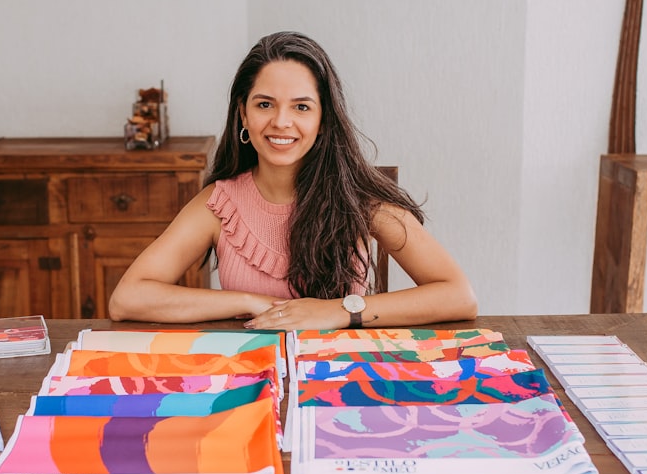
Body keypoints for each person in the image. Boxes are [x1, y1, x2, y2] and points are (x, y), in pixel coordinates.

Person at [108, 31, 478, 329]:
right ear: (243, 114)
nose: (281, 122)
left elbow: (458, 296)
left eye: (301, 107)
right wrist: (252, 302)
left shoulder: (360, 200)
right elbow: (128, 299)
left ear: (323, 121)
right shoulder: (218, 203)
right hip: (250, 380)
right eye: (264, 104)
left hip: (340, 380)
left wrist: (339, 311)